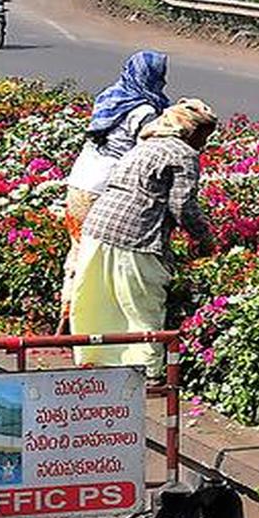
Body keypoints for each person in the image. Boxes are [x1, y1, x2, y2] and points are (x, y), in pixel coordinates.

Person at [68, 98, 218, 380]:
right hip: (136, 234)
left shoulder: (146, 143)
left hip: (98, 227)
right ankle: (149, 372)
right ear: (189, 130)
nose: (204, 143)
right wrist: (204, 238)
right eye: (203, 135)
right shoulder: (183, 154)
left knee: (99, 298)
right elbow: (182, 205)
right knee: (143, 305)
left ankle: (96, 359)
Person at [58, 51, 172, 334]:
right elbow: (147, 152)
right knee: (99, 258)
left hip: (79, 182)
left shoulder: (111, 96)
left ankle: (65, 317)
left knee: (78, 250)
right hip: (106, 188)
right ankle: (90, 325)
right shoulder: (144, 111)